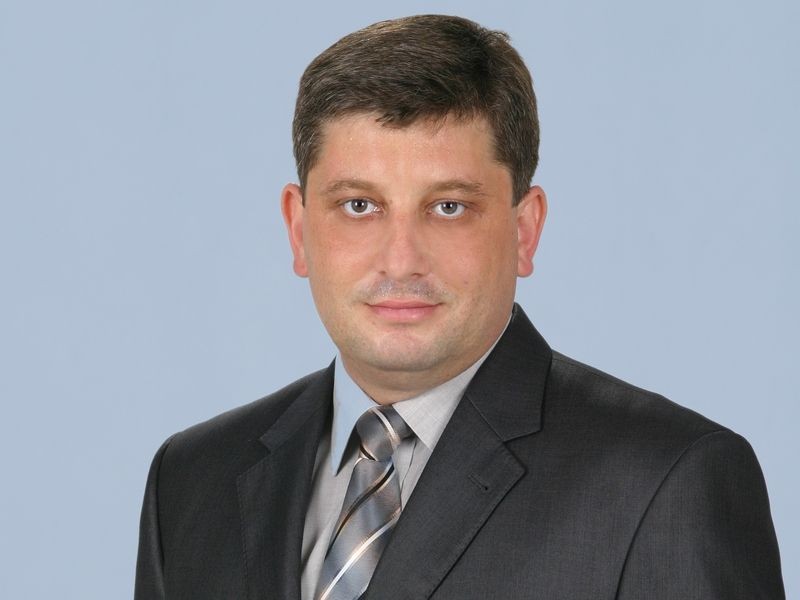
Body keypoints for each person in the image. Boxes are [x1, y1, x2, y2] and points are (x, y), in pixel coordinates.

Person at [134, 14, 784, 600]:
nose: (401, 261)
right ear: (298, 230)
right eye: (359, 205)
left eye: (449, 207)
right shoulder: (190, 480)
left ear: (525, 230)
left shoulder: (667, 483)